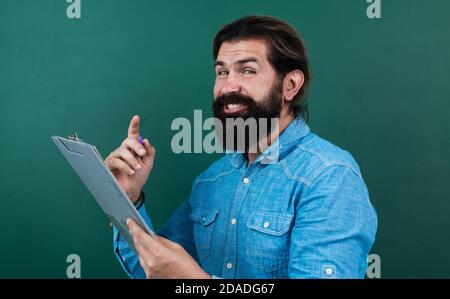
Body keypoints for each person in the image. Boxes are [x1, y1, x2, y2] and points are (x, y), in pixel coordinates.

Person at [104, 16, 377, 279]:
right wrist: (127, 199)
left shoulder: (330, 176)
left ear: (290, 85)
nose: (228, 86)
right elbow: (151, 269)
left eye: (248, 70)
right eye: (222, 71)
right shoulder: (212, 180)